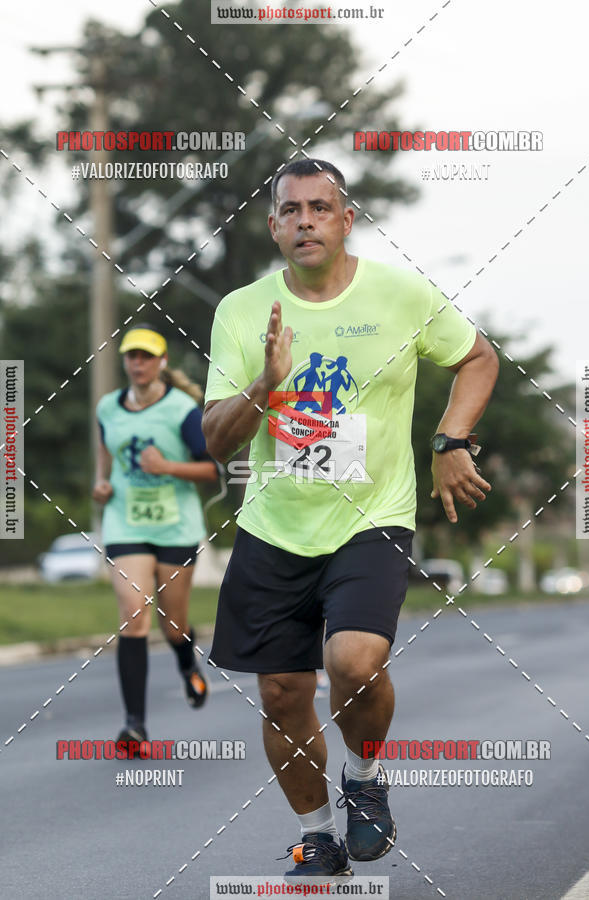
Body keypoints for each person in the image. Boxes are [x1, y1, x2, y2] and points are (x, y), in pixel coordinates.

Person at [202, 159, 499, 880]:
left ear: (346, 220)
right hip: (275, 527)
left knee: (354, 662)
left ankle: (364, 777)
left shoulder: (400, 293)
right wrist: (266, 383)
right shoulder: (241, 310)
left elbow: (477, 358)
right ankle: (317, 839)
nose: (305, 220)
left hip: (373, 517)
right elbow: (215, 440)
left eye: (320, 207)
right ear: (273, 226)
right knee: (282, 693)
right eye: (291, 210)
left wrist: (450, 442)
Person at [93, 324, 219, 747]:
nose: (138, 363)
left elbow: (212, 469)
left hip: (175, 526)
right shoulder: (108, 407)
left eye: (147, 356)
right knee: (134, 616)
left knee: (173, 625)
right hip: (125, 522)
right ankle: (135, 726)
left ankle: (186, 663)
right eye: (132, 356)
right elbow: (105, 452)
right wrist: (101, 483)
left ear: (162, 362)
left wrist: (167, 467)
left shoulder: (182, 410)